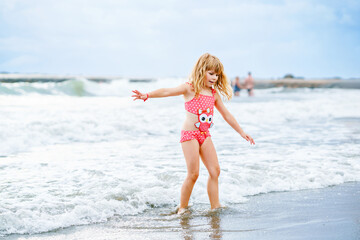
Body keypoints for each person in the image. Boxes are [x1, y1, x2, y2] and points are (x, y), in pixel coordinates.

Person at [132, 53, 255, 214]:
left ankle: (215, 206)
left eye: (217, 75)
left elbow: (226, 114)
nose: (214, 78)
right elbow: (167, 91)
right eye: (211, 73)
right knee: (193, 173)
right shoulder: (189, 88)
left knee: (215, 171)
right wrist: (147, 95)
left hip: (205, 135)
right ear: (201, 70)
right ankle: (182, 208)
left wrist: (241, 132)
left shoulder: (213, 94)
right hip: (189, 135)